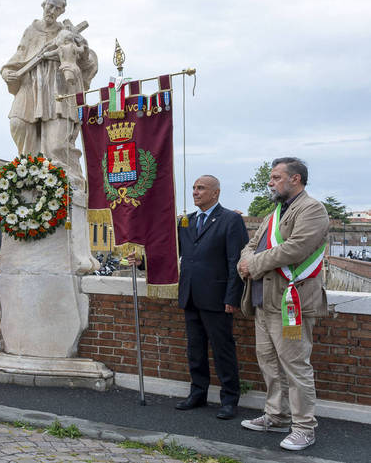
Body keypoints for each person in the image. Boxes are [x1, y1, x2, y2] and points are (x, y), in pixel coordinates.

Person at [129, 175, 248, 420]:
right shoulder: (186, 222)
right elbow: (170, 255)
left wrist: (233, 298)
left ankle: (229, 399)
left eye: (201, 188)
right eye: (194, 188)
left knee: (222, 350)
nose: (195, 192)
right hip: (191, 295)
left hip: (217, 297)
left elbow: (235, 261)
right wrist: (143, 263)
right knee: (195, 349)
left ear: (215, 193)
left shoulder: (231, 220)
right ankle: (198, 393)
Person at [238, 157, 329, 451]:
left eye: (276, 177)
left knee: (295, 366)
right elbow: (253, 244)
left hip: (292, 303)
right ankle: (277, 415)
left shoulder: (312, 209)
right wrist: (245, 259)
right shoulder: (274, 212)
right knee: (268, 362)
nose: (270, 182)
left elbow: (296, 248)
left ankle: (304, 427)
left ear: (296, 179)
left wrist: (253, 265)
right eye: (271, 177)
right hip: (264, 301)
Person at [0, 0, 97, 190]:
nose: (51, 11)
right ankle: (27, 174)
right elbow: (19, 56)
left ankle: (63, 185)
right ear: (43, 4)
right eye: (49, 6)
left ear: (62, 11)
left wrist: (82, 49)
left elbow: (86, 60)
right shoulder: (31, 31)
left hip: (57, 90)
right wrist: (7, 72)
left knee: (56, 148)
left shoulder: (68, 32)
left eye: (56, 8)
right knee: (17, 123)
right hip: (31, 86)